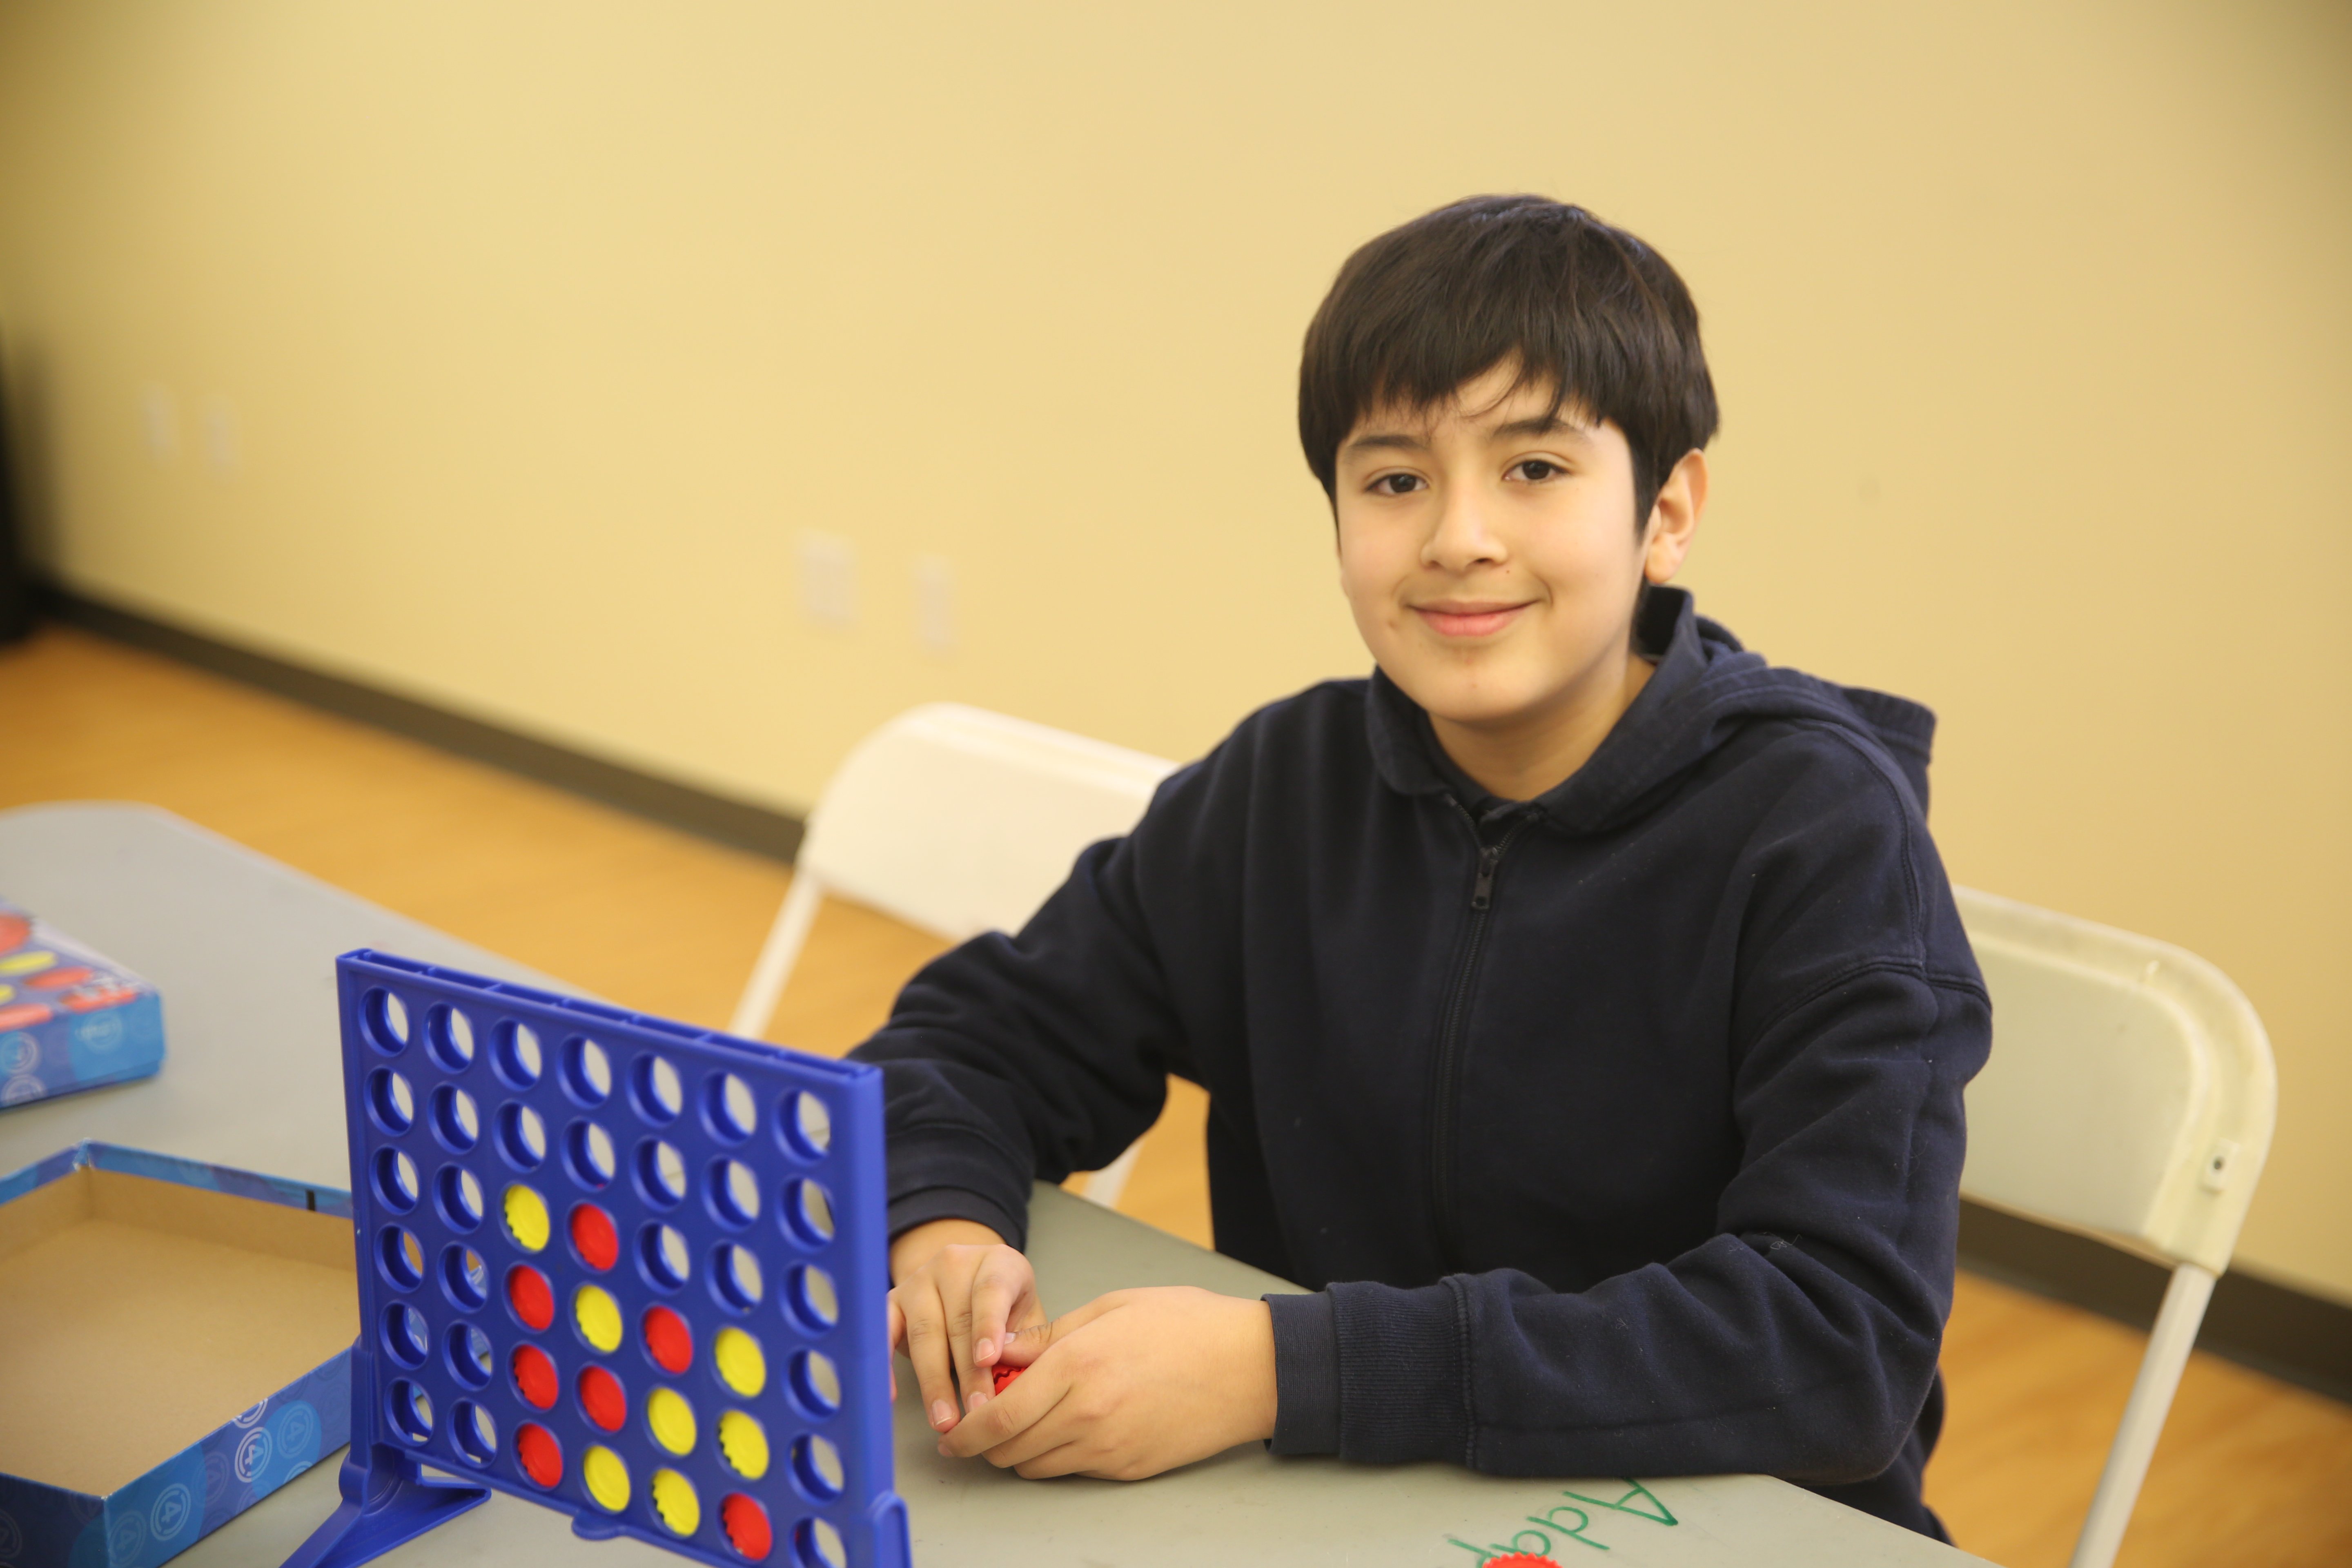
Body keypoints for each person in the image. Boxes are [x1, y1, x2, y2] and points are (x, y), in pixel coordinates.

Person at [848, 194, 1991, 1539]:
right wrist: (941, 1229)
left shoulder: (1821, 834)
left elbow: (1837, 1341)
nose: (1459, 536)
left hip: (1719, 1518)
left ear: (1667, 509)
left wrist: (1281, 1369)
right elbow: (976, 1035)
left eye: (1536, 470)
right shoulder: (1285, 786)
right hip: (1337, 1506)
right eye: (1395, 480)